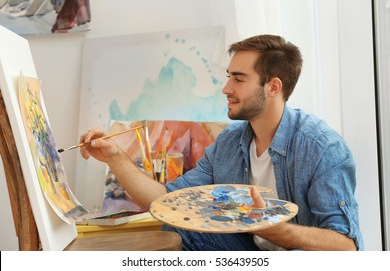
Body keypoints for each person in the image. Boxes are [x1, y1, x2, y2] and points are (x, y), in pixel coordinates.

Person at [80, 34, 363, 251]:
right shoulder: (229, 143)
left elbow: (346, 245)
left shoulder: (321, 148)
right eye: (229, 77)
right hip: (248, 253)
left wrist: (275, 228)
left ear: (273, 87)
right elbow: (166, 202)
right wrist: (114, 156)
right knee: (176, 224)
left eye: (238, 79)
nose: (226, 88)